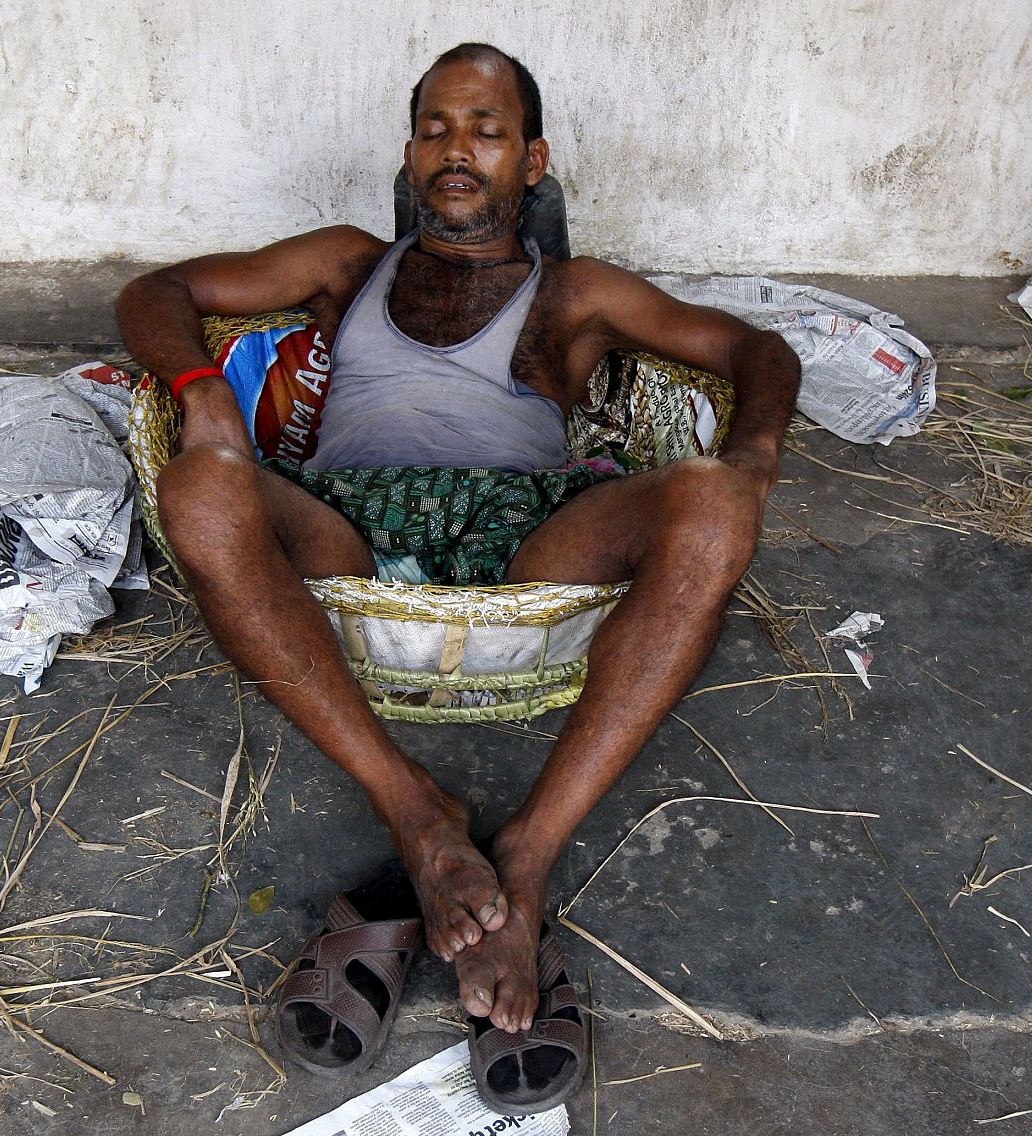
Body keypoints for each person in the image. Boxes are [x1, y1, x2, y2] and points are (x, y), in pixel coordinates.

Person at [117, 41, 800, 1104]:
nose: (457, 149)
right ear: (407, 154)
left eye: (485, 129)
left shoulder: (574, 293)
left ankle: (524, 853)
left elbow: (758, 348)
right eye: (436, 127)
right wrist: (202, 387)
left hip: (526, 537)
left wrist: (753, 451)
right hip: (346, 528)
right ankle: (418, 814)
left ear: (531, 161)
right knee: (200, 490)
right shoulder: (348, 262)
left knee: (713, 501)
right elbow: (157, 291)